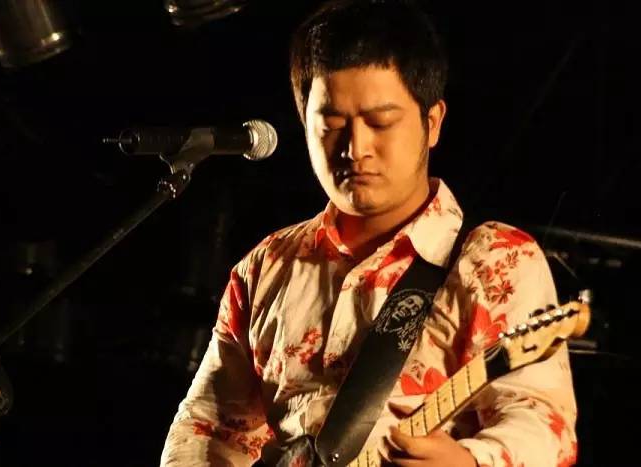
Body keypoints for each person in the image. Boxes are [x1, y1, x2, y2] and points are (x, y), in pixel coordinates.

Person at [161, 1, 578, 466]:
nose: (355, 149)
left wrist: (470, 461)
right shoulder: (266, 267)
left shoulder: (496, 260)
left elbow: (540, 421)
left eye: (381, 123)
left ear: (432, 123)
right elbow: (208, 427)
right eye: (332, 125)